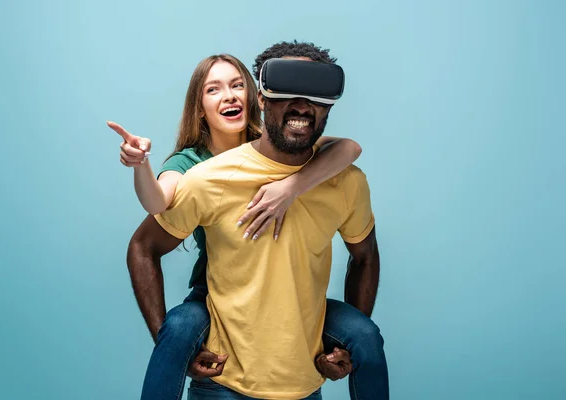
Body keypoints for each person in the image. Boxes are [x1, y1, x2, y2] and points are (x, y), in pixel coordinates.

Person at [122, 42, 388, 400]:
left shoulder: (344, 179)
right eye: (213, 89)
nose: (301, 104)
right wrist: (141, 165)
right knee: (181, 326)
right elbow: (151, 221)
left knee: (366, 335)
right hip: (222, 361)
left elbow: (365, 250)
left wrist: (291, 186)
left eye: (314, 94)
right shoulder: (200, 173)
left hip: (301, 378)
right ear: (263, 99)